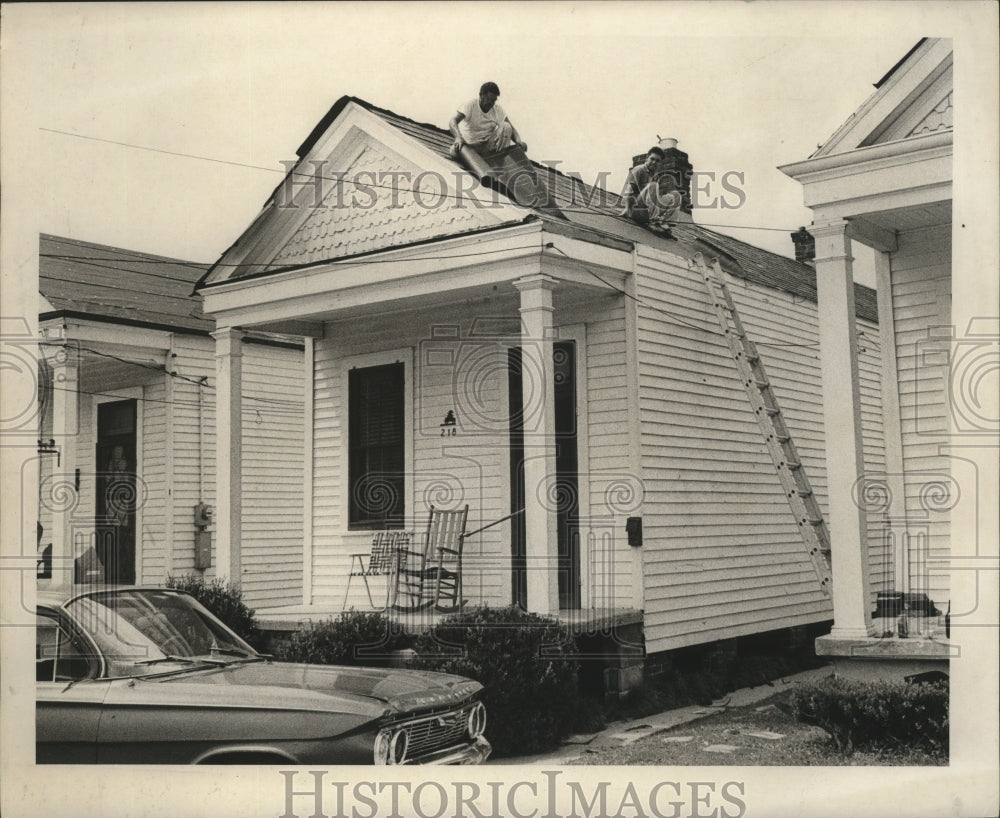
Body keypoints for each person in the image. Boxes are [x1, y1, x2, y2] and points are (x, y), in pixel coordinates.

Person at [449, 82, 528, 157]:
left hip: (486, 146)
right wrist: (458, 138)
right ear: (481, 95)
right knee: (454, 152)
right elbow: (453, 121)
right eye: (488, 99)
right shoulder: (470, 104)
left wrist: (519, 141)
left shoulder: (497, 109)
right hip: (468, 145)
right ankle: (472, 157)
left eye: (493, 100)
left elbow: (511, 128)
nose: (490, 103)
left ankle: (497, 157)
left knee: (506, 126)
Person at [620, 147, 683, 235]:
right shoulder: (639, 170)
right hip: (637, 210)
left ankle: (666, 225)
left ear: (660, 163)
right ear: (647, 158)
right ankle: (653, 222)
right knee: (653, 185)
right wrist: (627, 208)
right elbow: (629, 190)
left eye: (657, 161)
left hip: (648, 212)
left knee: (675, 195)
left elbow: (655, 199)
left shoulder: (655, 176)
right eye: (652, 159)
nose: (654, 162)